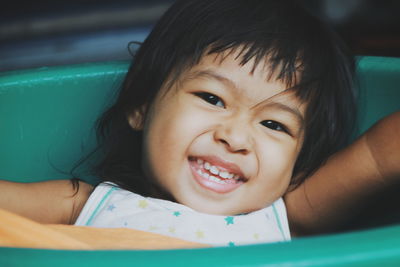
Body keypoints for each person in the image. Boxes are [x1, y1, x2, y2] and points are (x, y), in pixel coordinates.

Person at [0, 0, 399, 246]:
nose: (235, 137)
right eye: (212, 98)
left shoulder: (287, 216)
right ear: (141, 106)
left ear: (300, 163)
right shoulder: (82, 204)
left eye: (275, 125)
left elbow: (379, 156)